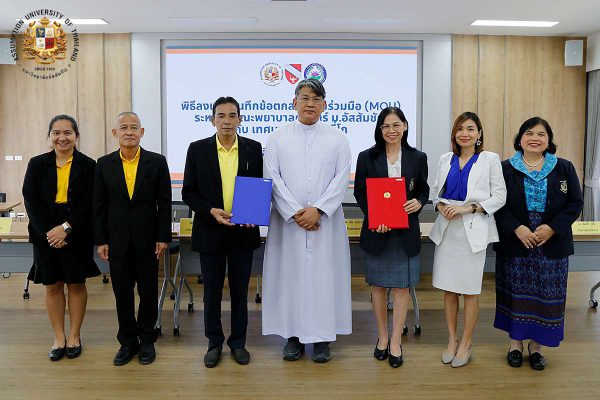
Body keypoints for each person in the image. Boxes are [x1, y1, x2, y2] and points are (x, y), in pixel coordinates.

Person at [262, 79, 352, 363]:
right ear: (294, 102)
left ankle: (322, 339)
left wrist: (319, 210)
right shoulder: (277, 138)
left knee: (324, 280)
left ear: (324, 105)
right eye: (304, 98)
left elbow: (341, 179)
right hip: (288, 225)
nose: (310, 104)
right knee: (291, 279)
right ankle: (293, 337)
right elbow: (272, 178)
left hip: (325, 224)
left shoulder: (338, 138)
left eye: (316, 99)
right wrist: (295, 213)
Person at [493, 117, 583, 370]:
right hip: (516, 240)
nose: (535, 138)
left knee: (546, 294)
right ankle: (515, 344)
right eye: (529, 133)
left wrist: (552, 228)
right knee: (515, 293)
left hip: (551, 241)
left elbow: (575, 203)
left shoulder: (564, 167)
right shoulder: (504, 168)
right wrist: (518, 228)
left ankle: (537, 346)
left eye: (541, 134)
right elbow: (496, 203)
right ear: (520, 138)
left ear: (548, 140)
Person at [182, 97, 263, 368]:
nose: (226, 121)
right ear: (212, 119)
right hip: (210, 231)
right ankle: (214, 343)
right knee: (212, 292)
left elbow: (259, 186)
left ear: (240, 119)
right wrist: (210, 211)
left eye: (232, 115)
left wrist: (253, 213)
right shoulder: (197, 149)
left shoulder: (253, 148)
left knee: (240, 292)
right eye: (221, 115)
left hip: (243, 232)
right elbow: (189, 192)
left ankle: (238, 343)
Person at [93, 112, 172, 366]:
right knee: (122, 294)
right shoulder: (103, 164)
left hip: (148, 241)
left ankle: (147, 339)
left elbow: (164, 203)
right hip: (116, 241)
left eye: (134, 127)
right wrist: (101, 240)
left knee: (148, 292)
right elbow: (98, 206)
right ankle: (127, 341)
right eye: (124, 127)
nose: (129, 132)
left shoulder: (156, 162)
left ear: (142, 132)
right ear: (115, 133)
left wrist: (162, 237)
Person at [353, 107, 429, 368]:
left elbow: (423, 190)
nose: (391, 130)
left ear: (405, 126)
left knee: (401, 288)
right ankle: (382, 337)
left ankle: (396, 340)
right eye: (386, 126)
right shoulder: (366, 157)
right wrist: (376, 216)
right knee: (378, 287)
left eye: (396, 125)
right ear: (380, 129)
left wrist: (419, 202)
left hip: (405, 233)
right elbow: (360, 192)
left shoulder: (418, 157)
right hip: (378, 231)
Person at [429, 111, 506, 368]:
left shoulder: (489, 159)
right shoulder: (445, 159)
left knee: (470, 290)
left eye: (470, 129)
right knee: (449, 289)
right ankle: (452, 339)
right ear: (454, 134)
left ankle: (466, 342)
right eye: (460, 129)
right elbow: (435, 192)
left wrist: (468, 208)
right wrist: (440, 206)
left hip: (473, 230)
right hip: (447, 230)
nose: (465, 133)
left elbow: (499, 196)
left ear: (479, 133)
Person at [22, 114, 100, 361]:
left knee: (76, 284)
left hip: (77, 232)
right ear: (50, 136)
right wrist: (51, 231)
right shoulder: (37, 164)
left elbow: (90, 201)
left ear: (76, 136)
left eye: (68, 132)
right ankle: (58, 338)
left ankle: (75, 336)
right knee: (52, 284)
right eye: (56, 133)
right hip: (45, 234)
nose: (62, 137)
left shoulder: (89, 165)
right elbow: (30, 199)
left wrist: (65, 227)